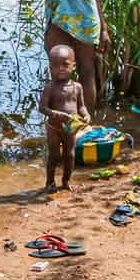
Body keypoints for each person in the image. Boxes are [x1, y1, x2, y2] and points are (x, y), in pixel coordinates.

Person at [38, 44, 90, 192]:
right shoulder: (50, 87)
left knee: (70, 155)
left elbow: (81, 106)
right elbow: (42, 108)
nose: (61, 68)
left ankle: (66, 181)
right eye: (56, 65)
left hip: (71, 127)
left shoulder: (77, 87)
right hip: (54, 127)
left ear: (73, 66)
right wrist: (56, 114)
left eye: (65, 65)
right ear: (50, 67)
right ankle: (49, 182)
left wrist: (86, 115)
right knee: (54, 155)